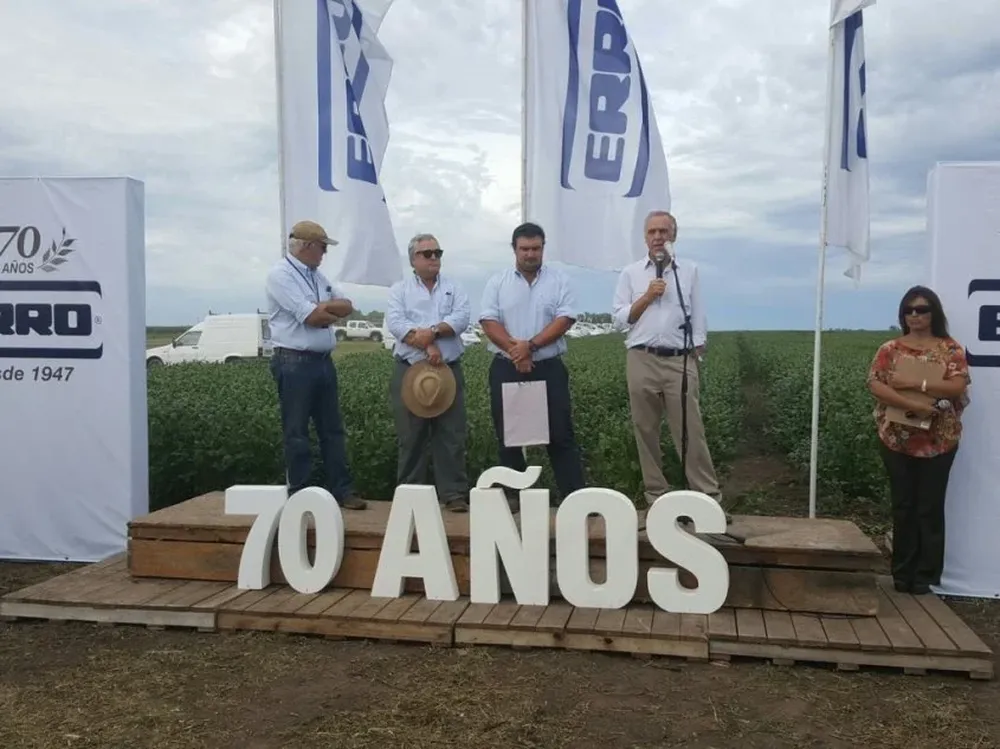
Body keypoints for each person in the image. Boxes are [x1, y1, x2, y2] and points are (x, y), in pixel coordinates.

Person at [611, 210, 726, 516]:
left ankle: (706, 500)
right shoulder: (631, 273)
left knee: (690, 431)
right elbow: (619, 319)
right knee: (645, 430)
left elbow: (698, 313)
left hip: (679, 360)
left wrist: (697, 351)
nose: (658, 237)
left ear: (673, 235)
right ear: (645, 237)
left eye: (664, 231)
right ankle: (657, 498)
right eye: (652, 232)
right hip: (641, 358)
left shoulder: (687, 270)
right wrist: (647, 296)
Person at [866, 285, 970, 594]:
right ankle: (902, 573)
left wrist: (914, 383)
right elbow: (875, 384)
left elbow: (956, 388)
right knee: (904, 505)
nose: (915, 315)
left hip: (939, 440)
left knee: (930, 506)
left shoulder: (950, 350)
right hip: (897, 439)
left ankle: (925, 576)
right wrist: (914, 405)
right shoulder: (890, 349)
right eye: (909, 310)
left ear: (933, 313)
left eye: (921, 309)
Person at [479, 221, 585, 506]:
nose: (530, 254)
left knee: (560, 434)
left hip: (548, 367)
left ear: (543, 248)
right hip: (506, 367)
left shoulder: (559, 281)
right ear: (514, 249)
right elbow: (489, 321)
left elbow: (565, 319)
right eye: (524, 249)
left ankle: (574, 499)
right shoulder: (497, 282)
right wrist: (517, 351)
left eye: (536, 248)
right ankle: (516, 498)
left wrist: (532, 347)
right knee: (509, 436)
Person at [264, 220, 367, 510]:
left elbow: (348, 305)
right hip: (293, 362)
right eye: (322, 247)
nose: (325, 253)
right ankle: (300, 497)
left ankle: (342, 490)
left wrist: (326, 309)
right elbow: (312, 318)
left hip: (322, 362)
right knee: (297, 433)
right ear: (307, 247)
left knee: (332, 430)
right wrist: (325, 311)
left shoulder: (318, 276)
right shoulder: (280, 276)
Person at [385, 233, 472, 512]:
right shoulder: (399, 290)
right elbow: (397, 323)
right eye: (427, 253)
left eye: (437, 252)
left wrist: (432, 332)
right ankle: (411, 495)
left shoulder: (454, 288)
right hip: (410, 370)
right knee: (411, 437)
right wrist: (429, 345)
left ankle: (454, 493)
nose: (434, 257)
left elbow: (460, 319)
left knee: (451, 435)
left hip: (448, 371)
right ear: (413, 260)